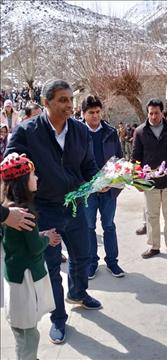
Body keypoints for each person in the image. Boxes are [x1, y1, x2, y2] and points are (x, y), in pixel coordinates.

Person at [5, 79, 102, 345]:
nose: (69, 105)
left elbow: (89, 166)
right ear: (46, 102)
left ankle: (79, 292)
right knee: (51, 267)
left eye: (71, 99)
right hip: (45, 210)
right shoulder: (27, 131)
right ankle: (58, 318)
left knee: (84, 257)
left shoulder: (81, 132)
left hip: (75, 207)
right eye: (62, 100)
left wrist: (100, 182)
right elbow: (11, 166)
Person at [1, 153, 61, 360]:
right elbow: (35, 248)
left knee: (20, 329)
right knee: (28, 333)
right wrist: (47, 238)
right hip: (26, 279)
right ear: (21, 182)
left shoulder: (9, 209)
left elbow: (19, 241)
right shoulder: (25, 212)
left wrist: (39, 234)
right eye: (33, 175)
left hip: (13, 276)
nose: (36, 179)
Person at [132, 99, 167, 260]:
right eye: (151, 113)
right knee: (152, 215)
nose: (153, 116)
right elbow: (136, 158)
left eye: (157, 113)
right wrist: (137, 180)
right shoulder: (140, 131)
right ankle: (154, 246)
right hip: (149, 182)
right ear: (148, 113)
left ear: (162, 112)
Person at [82, 95, 125, 279]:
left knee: (109, 225)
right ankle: (92, 263)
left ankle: (112, 262)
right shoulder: (76, 133)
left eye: (98, 112)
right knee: (89, 227)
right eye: (91, 112)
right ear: (83, 114)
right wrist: (91, 185)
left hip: (108, 191)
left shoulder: (110, 132)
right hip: (88, 191)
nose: (95, 116)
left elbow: (119, 159)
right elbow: (73, 164)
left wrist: (113, 184)